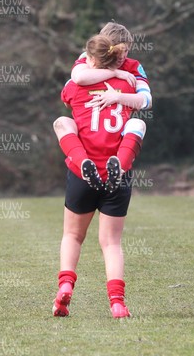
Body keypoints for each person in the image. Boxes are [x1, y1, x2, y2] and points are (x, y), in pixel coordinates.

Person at [53, 34, 142, 318]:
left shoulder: (76, 84)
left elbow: (70, 93)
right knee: (112, 243)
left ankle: (65, 287)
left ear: (91, 60)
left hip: (84, 172)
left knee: (72, 235)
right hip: (117, 173)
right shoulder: (127, 83)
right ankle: (117, 303)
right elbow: (141, 102)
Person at [53, 22, 151, 191]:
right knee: (61, 122)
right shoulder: (87, 58)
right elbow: (78, 77)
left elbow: (147, 101)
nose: (122, 56)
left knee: (137, 124)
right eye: (118, 50)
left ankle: (117, 169)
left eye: (126, 50)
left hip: (114, 136)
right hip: (93, 137)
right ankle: (84, 163)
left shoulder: (134, 67)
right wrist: (115, 73)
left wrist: (118, 97)